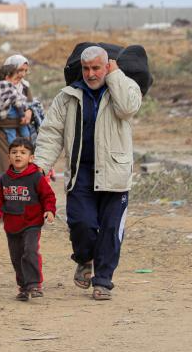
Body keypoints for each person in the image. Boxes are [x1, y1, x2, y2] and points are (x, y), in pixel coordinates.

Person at [34, 45, 142, 301]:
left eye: (96, 68)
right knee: (81, 224)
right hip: (81, 172)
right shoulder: (68, 96)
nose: (91, 74)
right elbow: (51, 133)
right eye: (86, 69)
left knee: (110, 228)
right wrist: (40, 165)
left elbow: (127, 109)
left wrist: (115, 76)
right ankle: (84, 258)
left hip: (115, 172)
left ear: (108, 66)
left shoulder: (124, 88)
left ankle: (103, 280)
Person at [0, 137, 56, 301]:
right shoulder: (4, 179)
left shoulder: (36, 177)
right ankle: (24, 287)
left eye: (23, 152)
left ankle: (34, 284)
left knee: (30, 251)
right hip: (12, 225)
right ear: (9, 156)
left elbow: (48, 196)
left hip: (32, 223)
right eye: (14, 152)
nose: (18, 156)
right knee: (17, 256)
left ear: (31, 157)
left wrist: (49, 210)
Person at [0, 64, 33, 145]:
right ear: (7, 78)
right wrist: (22, 115)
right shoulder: (10, 86)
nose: (17, 81)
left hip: (0, 115)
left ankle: (12, 146)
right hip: (13, 114)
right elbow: (18, 102)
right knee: (24, 129)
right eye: (15, 79)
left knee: (10, 134)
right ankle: (27, 141)